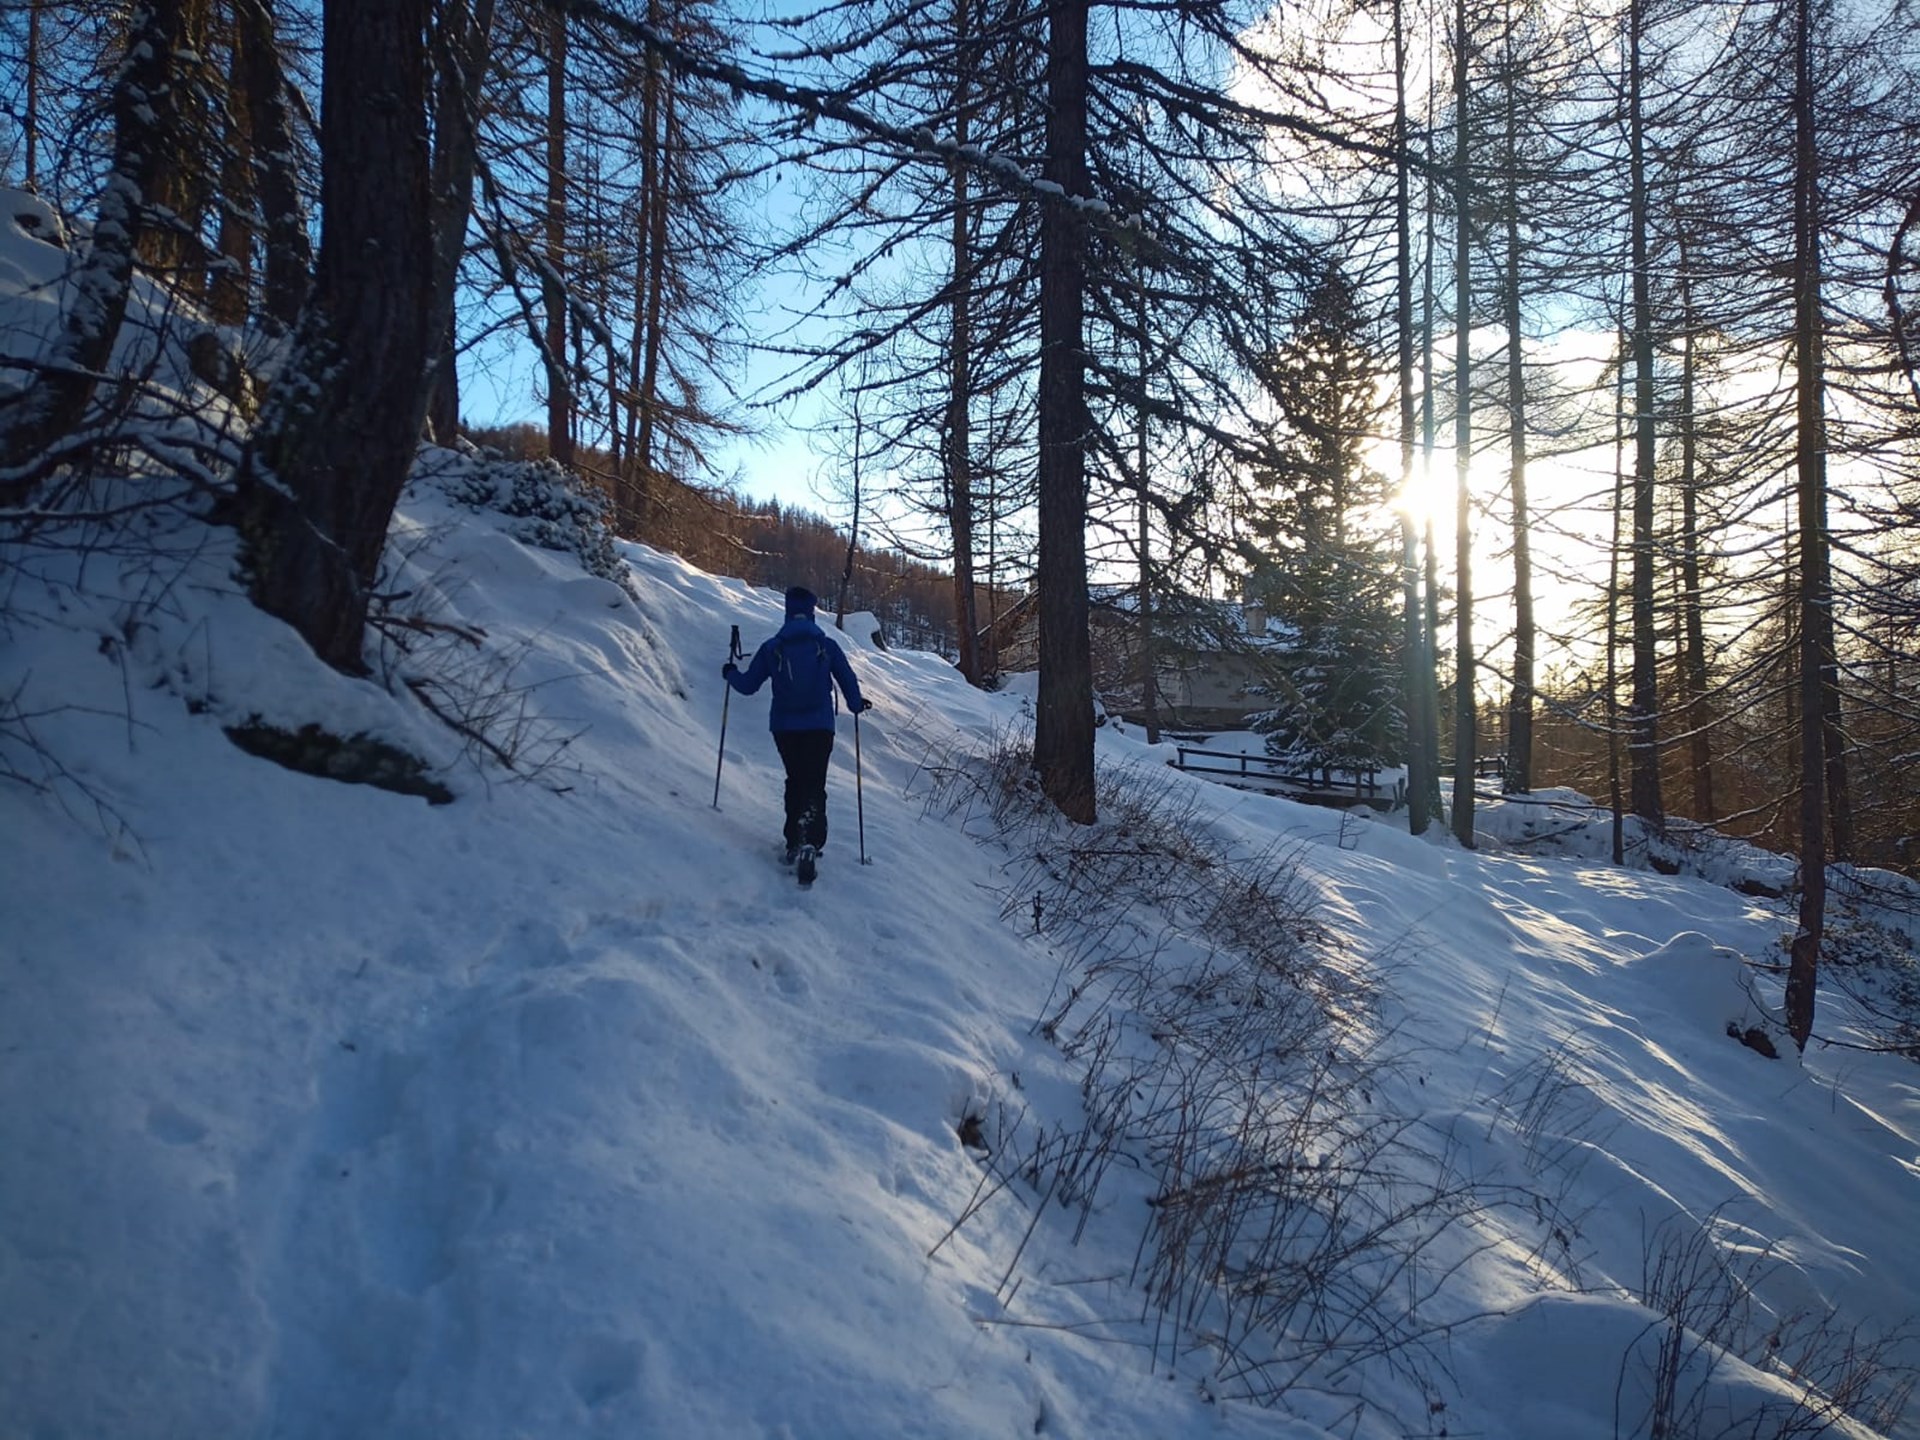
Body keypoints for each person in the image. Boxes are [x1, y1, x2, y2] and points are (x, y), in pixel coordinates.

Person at [722, 586, 871, 884]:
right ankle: (811, 841)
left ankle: (794, 841)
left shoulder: (773, 647)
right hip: (820, 726)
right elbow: (847, 679)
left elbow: (749, 686)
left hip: (784, 727)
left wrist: (730, 673)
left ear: (788, 612)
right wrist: (856, 704)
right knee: (815, 782)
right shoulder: (826, 646)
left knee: (795, 779)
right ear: (812, 612)